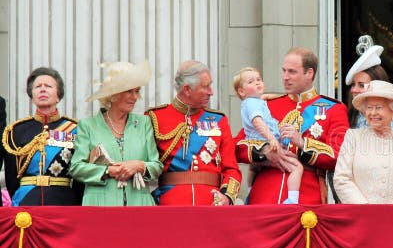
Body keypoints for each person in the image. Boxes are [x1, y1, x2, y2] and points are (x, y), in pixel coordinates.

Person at [235, 48, 349, 204]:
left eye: (292, 72)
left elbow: (339, 156)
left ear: (309, 73)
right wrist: (264, 152)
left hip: (306, 198)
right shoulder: (267, 105)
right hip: (264, 196)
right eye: (284, 71)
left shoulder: (334, 109)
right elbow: (238, 146)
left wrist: (302, 143)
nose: (285, 77)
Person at [148, 61, 241, 205]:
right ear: (187, 89)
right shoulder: (155, 118)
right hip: (171, 204)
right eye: (205, 87)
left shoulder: (219, 120)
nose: (211, 92)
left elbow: (231, 168)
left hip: (211, 203)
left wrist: (227, 197)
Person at [70, 61, 163, 206]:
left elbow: (156, 166)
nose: (134, 97)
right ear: (113, 94)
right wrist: (109, 171)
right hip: (100, 204)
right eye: (129, 91)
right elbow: (76, 168)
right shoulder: (88, 126)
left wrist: (139, 166)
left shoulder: (144, 123)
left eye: (137, 91)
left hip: (139, 204)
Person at [333, 81, 393, 204]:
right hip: (361, 217)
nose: (373, 113)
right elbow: (342, 179)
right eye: (369, 108)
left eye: (379, 108)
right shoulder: (353, 138)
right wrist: (366, 209)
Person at [2, 67, 83, 205]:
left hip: (64, 200)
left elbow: (80, 177)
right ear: (32, 95)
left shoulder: (76, 129)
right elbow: (11, 177)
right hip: (26, 199)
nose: (43, 89)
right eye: (38, 86)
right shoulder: (16, 130)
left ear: (58, 95)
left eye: (49, 86)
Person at [233, 67, 303, 204]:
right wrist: (270, 141)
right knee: (297, 166)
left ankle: (249, 191)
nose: (258, 83)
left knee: (254, 167)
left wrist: (284, 96)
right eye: (252, 82)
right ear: (241, 91)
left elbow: (264, 97)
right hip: (265, 143)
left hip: (262, 143)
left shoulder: (255, 101)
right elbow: (256, 125)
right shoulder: (253, 104)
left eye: (259, 79)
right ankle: (293, 200)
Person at [345, 35, 393, 132]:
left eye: (361, 85)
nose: (354, 89)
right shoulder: (346, 117)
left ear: (378, 87)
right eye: (353, 84)